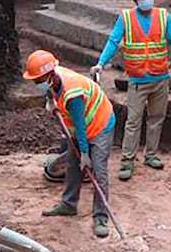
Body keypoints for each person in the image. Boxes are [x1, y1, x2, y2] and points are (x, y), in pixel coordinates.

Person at [90, 0, 171, 181]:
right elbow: (113, 41)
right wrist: (101, 63)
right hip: (138, 81)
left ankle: (150, 155)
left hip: (160, 79)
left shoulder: (164, 17)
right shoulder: (126, 18)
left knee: (156, 119)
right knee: (133, 121)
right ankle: (127, 161)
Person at [25, 48, 116, 238]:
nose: (35, 84)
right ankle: (69, 204)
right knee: (72, 165)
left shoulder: (72, 94)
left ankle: (100, 217)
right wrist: (50, 99)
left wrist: (84, 153)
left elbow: (80, 126)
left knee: (98, 170)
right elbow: (51, 91)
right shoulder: (53, 77)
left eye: (37, 81)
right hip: (82, 125)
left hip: (100, 124)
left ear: (48, 75)